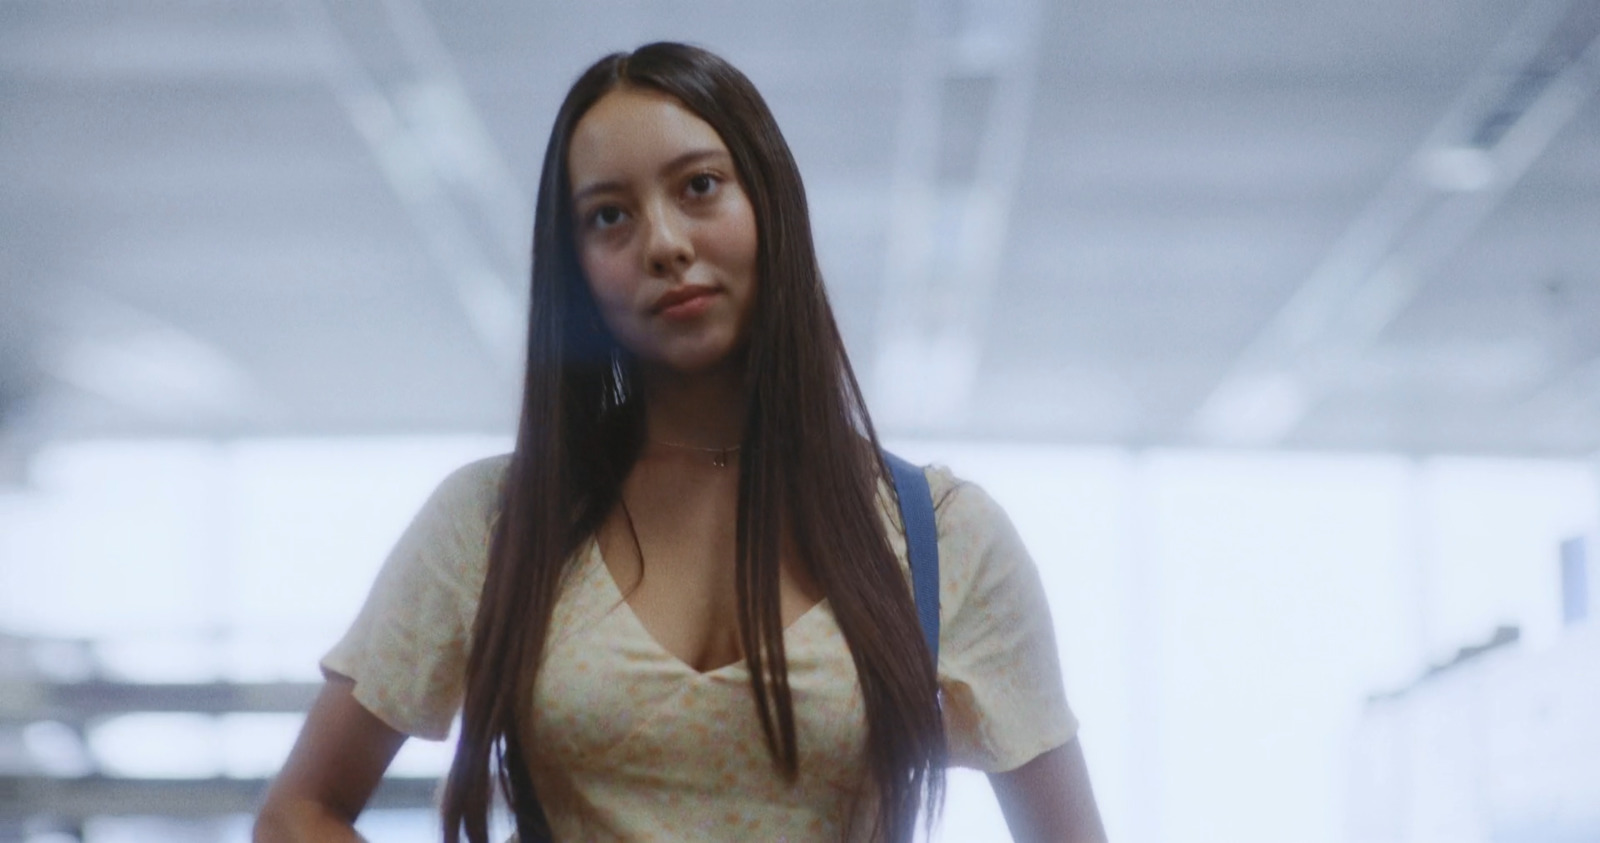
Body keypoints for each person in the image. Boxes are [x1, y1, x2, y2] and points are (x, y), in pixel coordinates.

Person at [254, 42, 1105, 843]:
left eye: (699, 187)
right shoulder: (496, 521)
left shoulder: (943, 536)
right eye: (609, 215)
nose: (663, 244)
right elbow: (299, 810)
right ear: (576, 269)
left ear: (767, 201)